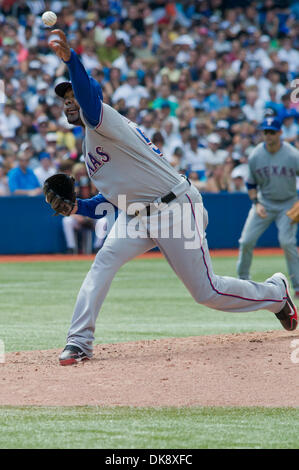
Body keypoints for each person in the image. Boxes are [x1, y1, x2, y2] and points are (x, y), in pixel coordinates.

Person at [49, 30, 297, 366]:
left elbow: (89, 98)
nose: (69, 101)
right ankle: (79, 342)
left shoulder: (103, 120)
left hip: (177, 208)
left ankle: (277, 294)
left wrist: (71, 60)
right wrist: (76, 207)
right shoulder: (92, 152)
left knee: (207, 292)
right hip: (138, 216)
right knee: (103, 263)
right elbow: (109, 202)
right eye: (63, 99)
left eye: (73, 95)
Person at [237, 117, 299, 297]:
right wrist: (256, 204)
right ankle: (242, 281)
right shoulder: (256, 155)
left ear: (280, 133)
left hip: (288, 203)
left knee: (287, 242)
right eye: (266, 132)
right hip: (264, 202)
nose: (268, 135)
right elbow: (250, 184)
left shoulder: (292, 155)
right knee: (246, 240)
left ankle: (297, 286)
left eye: (272, 132)